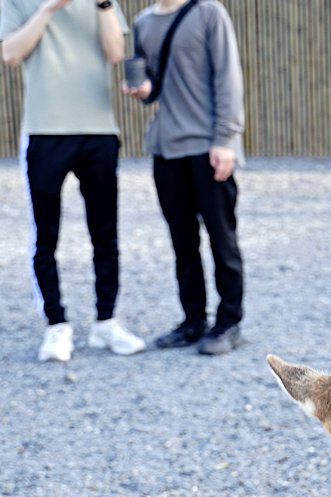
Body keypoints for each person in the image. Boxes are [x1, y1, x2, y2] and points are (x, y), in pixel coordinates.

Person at [1, 0, 146, 362]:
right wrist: (49, 8)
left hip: (98, 131)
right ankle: (56, 325)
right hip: (44, 131)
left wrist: (102, 4)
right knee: (46, 235)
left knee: (105, 234)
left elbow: (115, 54)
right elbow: (10, 53)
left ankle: (105, 322)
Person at [124, 0, 245, 355]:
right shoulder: (143, 22)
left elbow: (228, 77)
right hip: (166, 149)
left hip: (208, 146)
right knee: (182, 242)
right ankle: (193, 321)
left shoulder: (209, 12)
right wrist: (144, 90)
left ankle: (228, 322)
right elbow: (155, 83)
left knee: (222, 240)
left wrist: (225, 139)